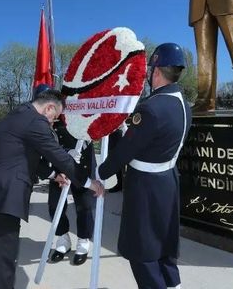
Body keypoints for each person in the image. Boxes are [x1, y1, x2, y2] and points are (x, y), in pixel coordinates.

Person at [0, 89, 104, 289]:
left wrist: (54, 175)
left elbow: (24, 155)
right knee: (3, 269)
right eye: (54, 117)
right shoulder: (36, 122)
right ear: (48, 108)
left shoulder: (19, 114)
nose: (52, 122)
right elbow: (61, 158)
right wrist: (91, 183)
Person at [97, 43, 192, 289]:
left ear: (157, 72)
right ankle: (173, 284)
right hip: (168, 180)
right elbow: (155, 139)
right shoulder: (183, 103)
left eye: (151, 70)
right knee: (164, 242)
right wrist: (130, 130)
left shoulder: (151, 108)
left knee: (143, 250)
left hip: (146, 186)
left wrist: (100, 173)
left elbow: (125, 152)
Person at [39, 118, 97, 265]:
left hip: (81, 159)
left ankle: (83, 241)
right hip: (58, 160)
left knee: (84, 204)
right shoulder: (49, 106)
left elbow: (92, 125)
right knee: (55, 204)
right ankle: (63, 239)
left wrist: (82, 144)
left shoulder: (79, 100)